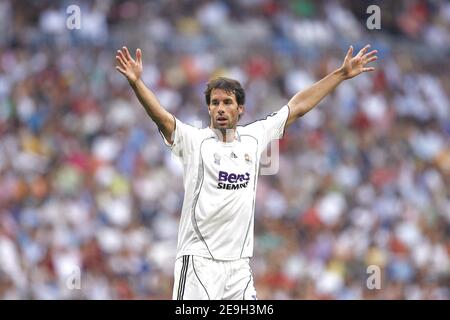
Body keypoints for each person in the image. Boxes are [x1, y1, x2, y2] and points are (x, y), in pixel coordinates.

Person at [115, 44, 377, 300]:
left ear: (240, 109)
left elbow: (297, 106)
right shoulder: (194, 141)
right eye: (215, 102)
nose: (220, 108)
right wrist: (137, 83)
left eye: (227, 102)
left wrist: (340, 74)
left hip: (238, 266)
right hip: (198, 263)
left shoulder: (254, 137)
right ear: (208, 108)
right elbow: (161, 117)